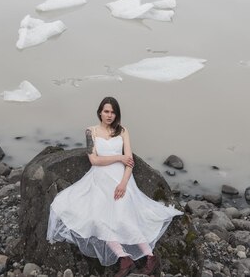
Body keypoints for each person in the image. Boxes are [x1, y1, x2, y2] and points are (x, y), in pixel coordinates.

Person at [47, 96, 182, 277]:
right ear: (100, 112)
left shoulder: (123, 131)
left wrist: (124, 184)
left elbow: (130, 161)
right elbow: (94, 160)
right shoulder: (90, 132)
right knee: (98, 219)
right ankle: (123, 257)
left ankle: (150, 257)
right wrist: (118, 157)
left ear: (117, 114)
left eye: (113, 112)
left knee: (123, 218)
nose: (109, 115)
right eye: (106, 111)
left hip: (121, 180)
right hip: (99, 180)